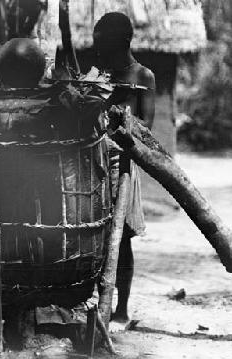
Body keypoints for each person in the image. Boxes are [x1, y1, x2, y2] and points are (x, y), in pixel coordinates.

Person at [93, 12, 156, 324]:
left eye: (102, 44)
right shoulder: (98, 73)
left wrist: (121, 117)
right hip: (93, 162)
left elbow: (147, 125)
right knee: (94, 233)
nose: (98, 50)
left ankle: (121, 308)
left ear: (123, 42)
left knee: (122, 237)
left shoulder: (143, 76)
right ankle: (94, 302)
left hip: (124, 164)